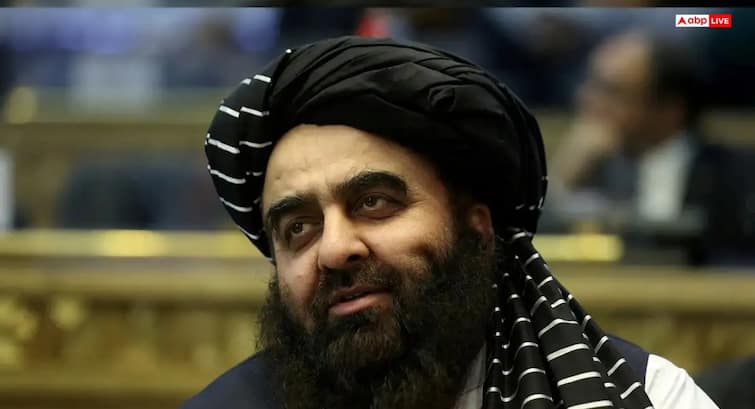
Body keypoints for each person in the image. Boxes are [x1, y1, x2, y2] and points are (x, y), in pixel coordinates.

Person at [184, 36, 719, 409]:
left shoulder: (649, 397)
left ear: (477, 227)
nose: (334, 249)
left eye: (374, 203)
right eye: (298, 228)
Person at [547, 28, 755, 265]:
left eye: (610, 91)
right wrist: (564, 176)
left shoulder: (737, 178)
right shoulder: (590, 170)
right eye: (590, 84)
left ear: (671, 110)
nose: (585, 99)